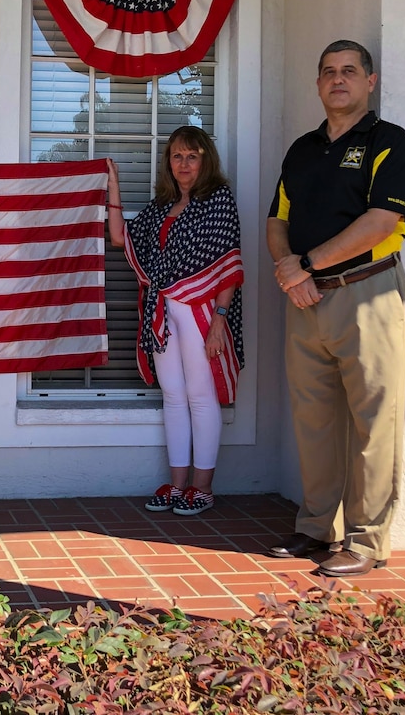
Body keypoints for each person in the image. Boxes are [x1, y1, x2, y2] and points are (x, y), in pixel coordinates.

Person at [265, 39, 405, 577]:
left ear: (369, 82)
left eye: (350, 71)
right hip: (305, 299)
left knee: (375, 421)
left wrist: (305, 264)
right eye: (328, 71)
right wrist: (291, 271)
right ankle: (315, 529)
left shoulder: (391, 143)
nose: (339, 79)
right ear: (318, 84)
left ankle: (366, 541)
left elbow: (382, 222)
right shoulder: (302, 150)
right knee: (314, 421)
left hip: (367, 294)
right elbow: (276, 219)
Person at [108, 126, 245, 516]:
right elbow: (120, 238)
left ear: (206, 161)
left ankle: (202, 488)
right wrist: (112, 186)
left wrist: (220, 319)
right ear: (168, 163)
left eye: (192, 156)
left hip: (202, 311)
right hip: (163, 310)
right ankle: (178, 484)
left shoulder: (219, 200)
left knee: (201, 396)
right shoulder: (160, 207)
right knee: (173, 397)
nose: (184, 164)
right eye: (177, 156)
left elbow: (228, 265)